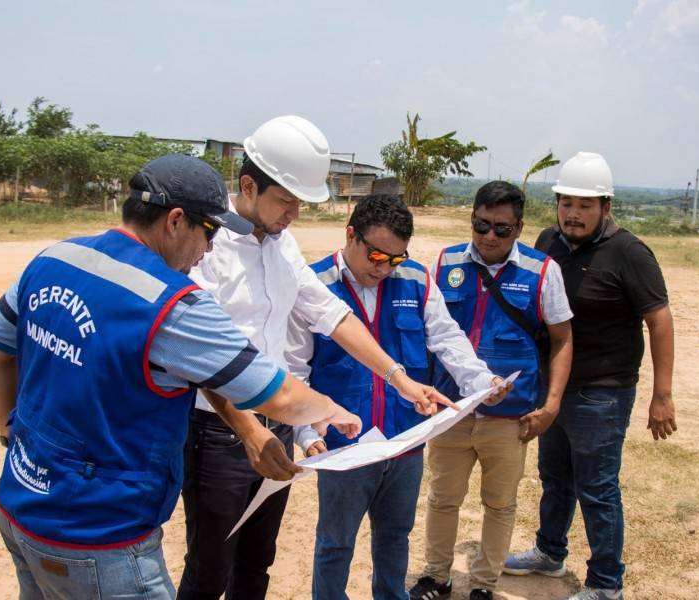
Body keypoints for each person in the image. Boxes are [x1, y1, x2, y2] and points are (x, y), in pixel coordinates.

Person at [0, 154, 362, 599]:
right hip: (101, 536)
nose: (210, 249)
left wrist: (10, 435)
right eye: (210, 232)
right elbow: (279, 398)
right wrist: (331, 410)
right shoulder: (171, 304)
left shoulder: (55, 258)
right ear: (176, 221)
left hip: (20, 509)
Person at [178, 117, 451, 600]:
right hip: (221, 432)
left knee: (257, 562)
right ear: (248, 186)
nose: (295, 213)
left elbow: (333, 315)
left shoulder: (282, 245)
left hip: (276, 423)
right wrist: (249, 431)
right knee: (209, 569)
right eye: (286, 200)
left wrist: (399, 378)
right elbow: (203, 358)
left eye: (300, 202)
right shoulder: (209, 248)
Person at [286, 194, 508, 600]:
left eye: (395, 258)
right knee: (335, 544)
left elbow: (447, 338)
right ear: (350, 235)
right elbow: (296, 368)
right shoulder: (314, 285)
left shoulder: (416, 280)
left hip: (405, 442)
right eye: (375, 256)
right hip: (344, 448)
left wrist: (481, 381)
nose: (384, 268)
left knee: (394, 538)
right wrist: (305, 431)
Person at [503, 152, 678, 600]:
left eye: (585, 205)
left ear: (606, 206)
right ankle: (549, 552)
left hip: (603, 392)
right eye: (566, 203)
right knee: (554, 476)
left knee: (597, 487)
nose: (573, 214)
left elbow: (659, 321)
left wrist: (662, 395)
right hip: (554, 388)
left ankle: (605, 582)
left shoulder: (629, 253)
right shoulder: (549, 241)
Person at [409, 181, 574, 600]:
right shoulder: (445, 262)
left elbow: (562, 340)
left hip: (510, 416)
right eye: (481, 225)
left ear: (519, 228)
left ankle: (484, 584)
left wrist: (551, 405)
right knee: (442, 498)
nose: (489, 237)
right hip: (453, 410)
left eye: (502, 229)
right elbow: (428, 331)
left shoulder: (542, 272)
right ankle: (436, 577)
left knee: (499, 504)